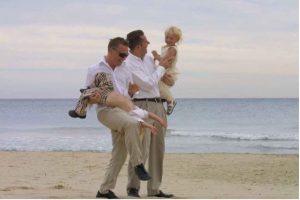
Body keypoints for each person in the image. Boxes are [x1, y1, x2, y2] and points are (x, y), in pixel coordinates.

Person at [78, 37, 153, 199]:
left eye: (126, 55)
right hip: (106, 110)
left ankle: (104, 191)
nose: (124, 58)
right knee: (133, 124)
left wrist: (132, 92)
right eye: (122, 55)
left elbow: (128, 93)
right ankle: (138, 164)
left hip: (124, 110)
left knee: (119, 154)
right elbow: (86, 94)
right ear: (111, 51)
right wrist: (93, 96)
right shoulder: (94, 69)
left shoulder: (125, 68)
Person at [125, 30, 175, 198]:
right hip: (142, 105)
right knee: (141, 148)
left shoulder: (147, 58)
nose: (148, 43)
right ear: (139, 44)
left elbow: (159, 78)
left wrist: (166, 75)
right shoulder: (128, 63)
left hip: (158, 104)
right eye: (146, 41)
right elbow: (147, 84)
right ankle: (133, 188)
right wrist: (161, 67)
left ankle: (154, 189)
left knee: (158, 149)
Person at [68, 72, 167, 134]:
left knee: (87, 95)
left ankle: (80, 112)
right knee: (104, 76)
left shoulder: (133, 116)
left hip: (105, 98)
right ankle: (90, 88)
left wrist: (150, 127)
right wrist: (160, 120)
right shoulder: (137, 110)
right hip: (109, 91)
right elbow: (149, 114)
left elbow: (141, 123)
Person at [152, 26, 182, 115]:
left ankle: (171, 100)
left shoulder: (172, 49)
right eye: (167, 37)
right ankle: (165, 100)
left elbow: (164, 60)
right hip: (164, 69)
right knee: (160, 87)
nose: (168, 40)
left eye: (171, 38)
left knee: (160, 85)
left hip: (168, 70)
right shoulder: (167, 47)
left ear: (177, 40)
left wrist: (156, 55)